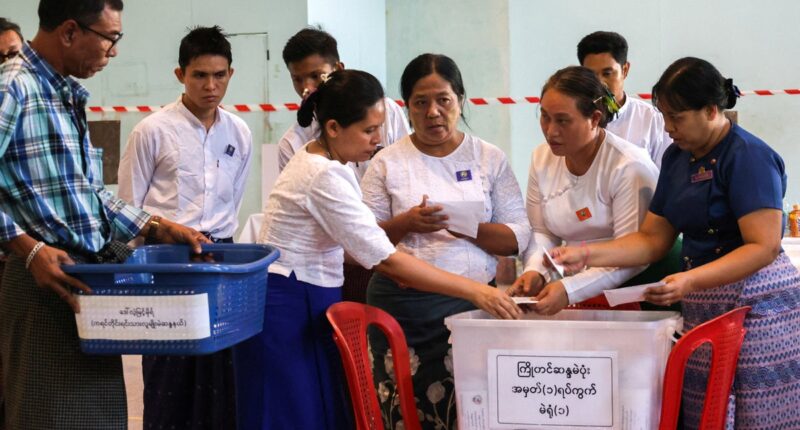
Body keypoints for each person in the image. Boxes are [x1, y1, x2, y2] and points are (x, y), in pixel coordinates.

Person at [233, 69, 521, 430]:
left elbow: (369, 247)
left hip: (310, 296)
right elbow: (385, 258)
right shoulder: (326, 174)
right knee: (293, 412)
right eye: (369, 130)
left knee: (317, 408)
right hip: (292, 300)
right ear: (334, 127)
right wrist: (476, 290)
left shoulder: (326, 162)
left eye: (380, 127)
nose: (378, 139)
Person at [553, 57, 800, 429]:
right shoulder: (677, 157)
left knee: (752, 414)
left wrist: (689, 281)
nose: (667, 128)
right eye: (663, 116)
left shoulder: (748, 156)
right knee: (705, 411)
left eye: (677, 118)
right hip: (702, 304)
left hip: (756, 310)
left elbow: (762, 247)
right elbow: (653, 240)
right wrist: (586, 253)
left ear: (712, 110)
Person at [0, 1, 209, 429]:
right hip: (43, 284)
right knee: (49, 417)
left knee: (99, 418)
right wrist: (28, 247)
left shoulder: (63, 92)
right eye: (110, 38)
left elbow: (87, 194)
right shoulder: (13, 88)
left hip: (86, 281)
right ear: (70, 32)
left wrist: (154, 225)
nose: (113, 52)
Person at [360, 53, 531, 430]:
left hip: (474, 307)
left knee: (473, 412)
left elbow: (519, 236)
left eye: (444, 100)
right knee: (404, 413)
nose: (433, 112)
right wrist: (406, 223)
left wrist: (471, 228)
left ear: (461, 100)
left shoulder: (488, 157)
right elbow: (364, 243)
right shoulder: (387, 162)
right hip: (403, 309)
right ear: (406, 108)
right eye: (421, 102)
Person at [117, 25, 251, 430]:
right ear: (180, 75)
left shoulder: (239, 132)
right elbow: (126, 208)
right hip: (166, 265)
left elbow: (234, 202)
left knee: (221, 370)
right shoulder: (152, 131)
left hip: (219, 259)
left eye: (219, 75)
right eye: (199, 75)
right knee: (167, 372)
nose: (210, 86)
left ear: (230, 74)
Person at [507, 66, 661, 316]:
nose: (550, 131)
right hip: (578, 287)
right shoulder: (541, 158)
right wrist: (535, 270)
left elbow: (632, 256)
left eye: (563, 120)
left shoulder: (628, 167)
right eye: (545, 116)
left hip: (637, 291)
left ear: (595, 119)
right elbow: (542, 230)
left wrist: (569, 289)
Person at [277, 27, 409, 178]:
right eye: (297, 79)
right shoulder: (291, 144)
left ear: (338, 69)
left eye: (316, 76)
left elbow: (407, 168)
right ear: (332, 128)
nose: (306, 88)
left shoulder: (387, 110)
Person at [578, 31, 671, 167]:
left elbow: (664, 174)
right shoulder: (575, 118)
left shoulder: (652, 119)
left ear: (625, 70)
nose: (600, 83)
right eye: (591, 75)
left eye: (607, 73)